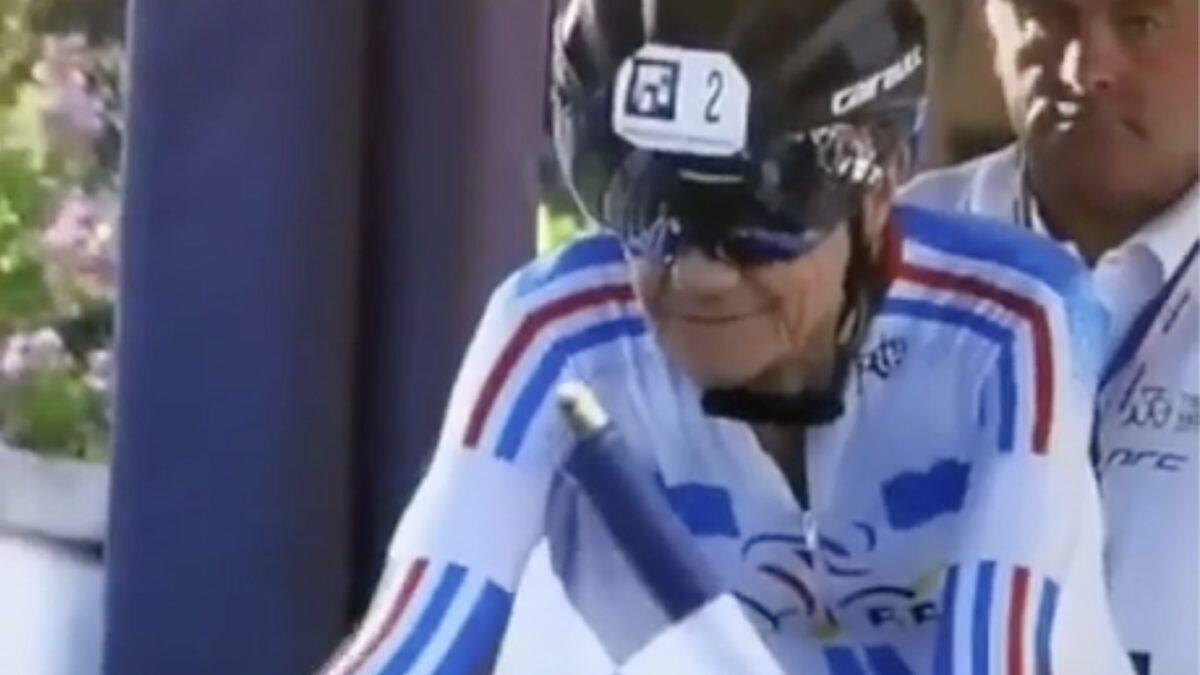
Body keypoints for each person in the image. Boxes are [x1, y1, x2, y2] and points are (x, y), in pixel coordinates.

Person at [321, 0, 1132, 672]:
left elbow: (997, 655)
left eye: (759, 214)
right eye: (644, 206)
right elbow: (411, 642)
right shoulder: (556, 336)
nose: (700, 274)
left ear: (882, 182)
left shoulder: (1012, 324)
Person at [901, 1, 1197, 672]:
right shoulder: (884, 264)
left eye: (1140, 22)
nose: (1085, 69)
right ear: (991, 26)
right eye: (1048, 17)